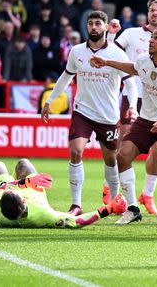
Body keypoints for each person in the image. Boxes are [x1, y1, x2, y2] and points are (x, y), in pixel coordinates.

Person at [90, 26, 157, 225]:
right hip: (146, 119)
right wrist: (106, 62)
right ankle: (132, 209)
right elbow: (133, 68)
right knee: (122, 157)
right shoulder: (144, 60)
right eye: (151, 37)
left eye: (156, 38)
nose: (150, 40)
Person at [42, 11, 137, 215]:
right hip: (82, 111)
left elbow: (130, 82)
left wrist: (133, 106)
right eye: (90, 24)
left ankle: (114, 202)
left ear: (104, 27)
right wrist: (49, 100)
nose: (93, 27)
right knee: (75, 151)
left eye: (98, 24)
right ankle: (76, 204)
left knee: (110, 159)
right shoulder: (76, 52)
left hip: (108, 115)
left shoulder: (117, 53)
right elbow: (66, 77)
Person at [105, 0, 157, 215]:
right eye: (152, 10)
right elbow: (110, 51)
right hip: (134, 97)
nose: (154, 13)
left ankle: (148, 194)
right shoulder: (131, 34)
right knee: (124, 144)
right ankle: (114, 191)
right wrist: (112, 34)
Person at [0, 158, 126, 227]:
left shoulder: (0, 204)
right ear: (24, 200)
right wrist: (109, 209)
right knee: (24, 164)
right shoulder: (44, 214)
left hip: (0, 204)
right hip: (35, 195)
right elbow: (77, 221)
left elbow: (4, 188)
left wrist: (21, 183)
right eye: (20, 192)